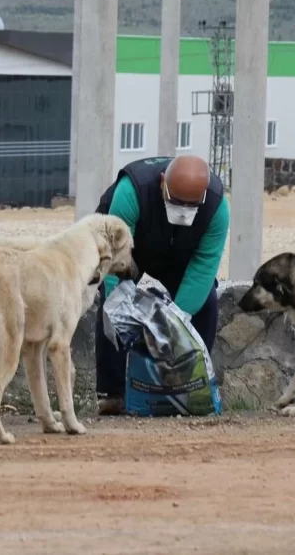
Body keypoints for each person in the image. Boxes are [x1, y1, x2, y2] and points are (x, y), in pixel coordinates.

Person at [93, 155, 230, 415]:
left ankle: (190, 386)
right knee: (112, 308)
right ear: (162, 183)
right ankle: (112, 394)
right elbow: (110, 258)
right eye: (176, 202)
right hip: (127, 249)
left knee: (206, 304)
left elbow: (203, 267)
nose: (183, 209)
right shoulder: (132, 192)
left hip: (180, 252)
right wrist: (115, 298)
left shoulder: (217, 208)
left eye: (191, 205)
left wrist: (176, 321)